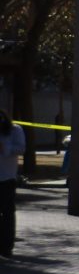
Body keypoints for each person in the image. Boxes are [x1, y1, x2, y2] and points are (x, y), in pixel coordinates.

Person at [0, 109, 25, 258]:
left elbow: (21, 148)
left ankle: (7, 246)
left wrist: (5, 148)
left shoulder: (15, 130)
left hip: (7, 177)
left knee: (8, 213)